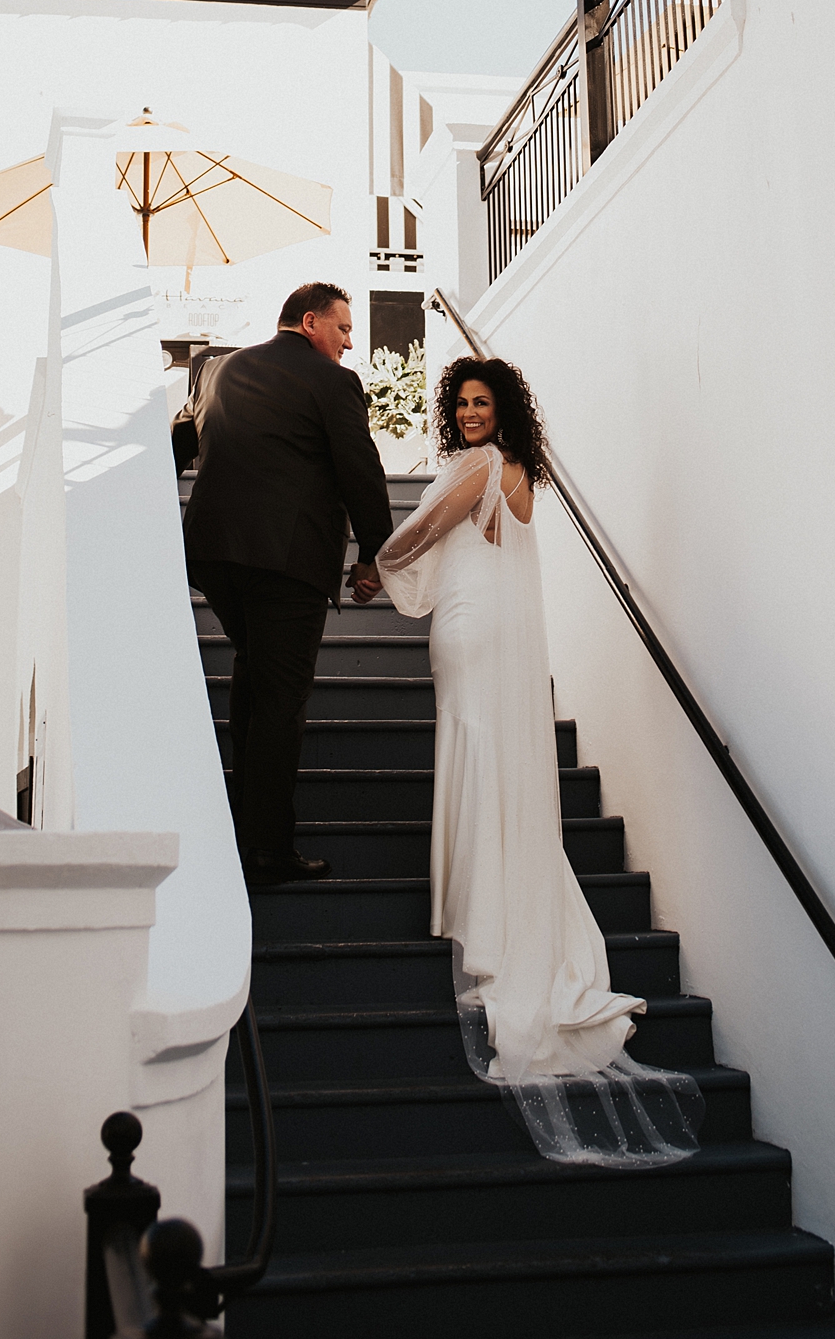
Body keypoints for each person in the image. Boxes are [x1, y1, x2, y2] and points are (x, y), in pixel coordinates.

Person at [373, 355, 703, 1167]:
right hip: (498, 630)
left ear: (502, 410)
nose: (471, 412)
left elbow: (424, 529)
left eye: (482, 401)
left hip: (468, 625)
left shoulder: (479, 466)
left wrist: (376, 561)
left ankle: (479, 915)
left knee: (471, 743)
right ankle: (497, 901)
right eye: (462, 402)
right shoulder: (520, 470)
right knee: (490, 749)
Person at [173, 282, 393, 888]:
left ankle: (239, 831)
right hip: (286, 561)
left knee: (255, 677)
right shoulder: (332, 383)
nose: (350, 342)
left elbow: (179, 440)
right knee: (280, 702)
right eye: (343, 328)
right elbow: (360, 470)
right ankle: (267, 851)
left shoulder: (219, 370)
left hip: (215, 557)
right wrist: (375, 555)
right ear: (309, 321)